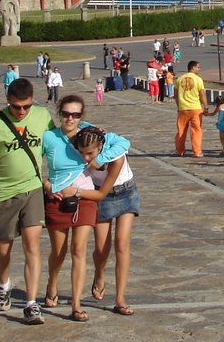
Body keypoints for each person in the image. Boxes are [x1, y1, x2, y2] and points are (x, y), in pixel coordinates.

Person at [0, 77, 55, 324]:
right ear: (8, 100)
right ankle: (4, 283)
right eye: (16, 107)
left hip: (32, 189)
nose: (21, 112)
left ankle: (31, 303)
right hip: (3, 193)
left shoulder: (43, 117)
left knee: (33, 245)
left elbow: (55, 146)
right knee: (3, 247)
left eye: (26, 107)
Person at [41, 95, 129, 322]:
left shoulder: (89, 132)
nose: (71, 118)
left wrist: (102, 158)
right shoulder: (49, 137)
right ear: (59, 113)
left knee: (78, 250)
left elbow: (122, 143)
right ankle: (52, 283)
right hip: (58, 198)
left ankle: (76, 305)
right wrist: (46, 183)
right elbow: (31, 161)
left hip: (85, 198)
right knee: (58, 252)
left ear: (82, 116)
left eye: (76, 115)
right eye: (66, 114)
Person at [71, 127, 139, 317]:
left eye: (90, 153)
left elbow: (125, 142)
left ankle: (120, 298)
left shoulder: (116, 156)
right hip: (100, 194)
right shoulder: (83, 146)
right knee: (101, 247)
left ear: (100, 147)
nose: (86, 158)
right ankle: (99, 273)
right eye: (82, 153)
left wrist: (76, 192)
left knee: (121, 244)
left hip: (125, 191)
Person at [174, 60, 208, 157]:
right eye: (198, 67)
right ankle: (197, 151)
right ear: (193, 67)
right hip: (196, 108)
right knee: (196, 130)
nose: (199, 69)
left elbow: (176, 95)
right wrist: (205, 106)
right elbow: (202, 94)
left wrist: (178, 106)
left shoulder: (179, 79)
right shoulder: (198, 79)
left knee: (181, 131)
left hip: (183, 108)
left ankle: (180, 150)